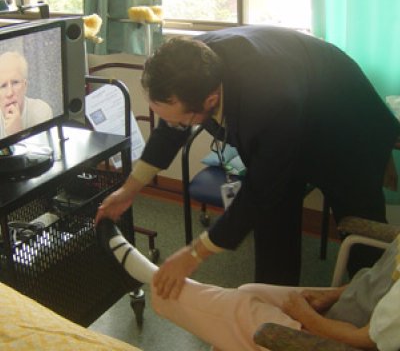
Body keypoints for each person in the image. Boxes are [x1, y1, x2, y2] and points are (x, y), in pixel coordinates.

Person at [96, 25, 400, 296]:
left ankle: (371, 317)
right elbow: (172, 127)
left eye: (182, 119)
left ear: (210, 100)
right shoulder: (188, 63)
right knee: (273, 223)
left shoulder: (268, 101)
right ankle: (271, 306)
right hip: (294, 106)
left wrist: (193, 253)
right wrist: (130, 189)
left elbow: (258, 191)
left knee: (361, 234)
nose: (175, 124)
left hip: (345, 125)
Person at [97, 218, 400, 351]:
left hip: (339, 343)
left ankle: (151, 277)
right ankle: (154, 277)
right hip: (347, 310)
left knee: (239, 310)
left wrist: (309, 318)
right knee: (248, 293)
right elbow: (381, 277)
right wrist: (331, 295)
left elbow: (366, 342)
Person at [0, 51, 52, 139]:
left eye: (15, 82)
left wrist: (17, 133)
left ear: (25, 85)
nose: (9, 93)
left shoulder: (42, 111)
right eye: (3, 86)